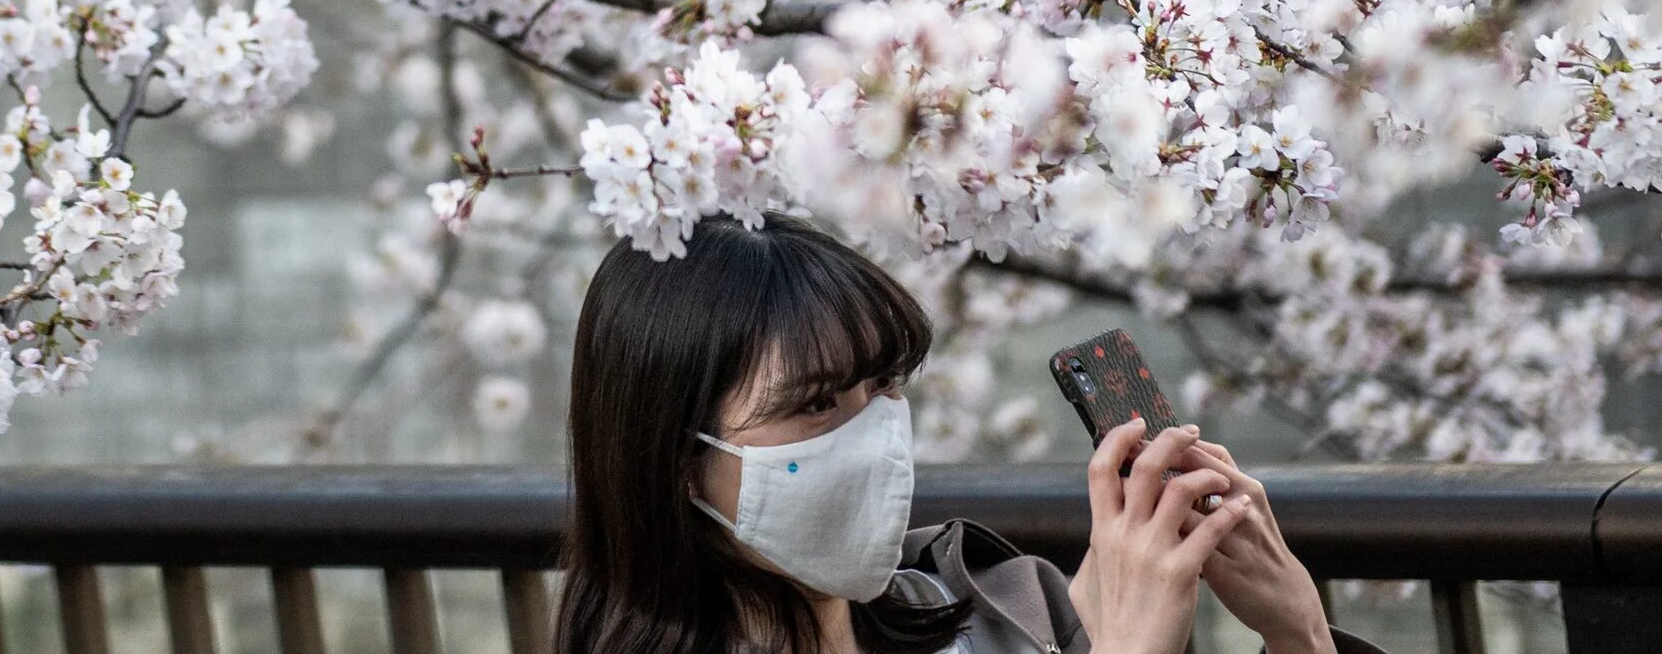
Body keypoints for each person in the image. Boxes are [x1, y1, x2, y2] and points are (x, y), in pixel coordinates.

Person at [557, 213, 1376, 654]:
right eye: (813, 406)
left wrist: (1296, 630)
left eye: (883, 387)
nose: (871, 432)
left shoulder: (995, 612)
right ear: (674, 459)